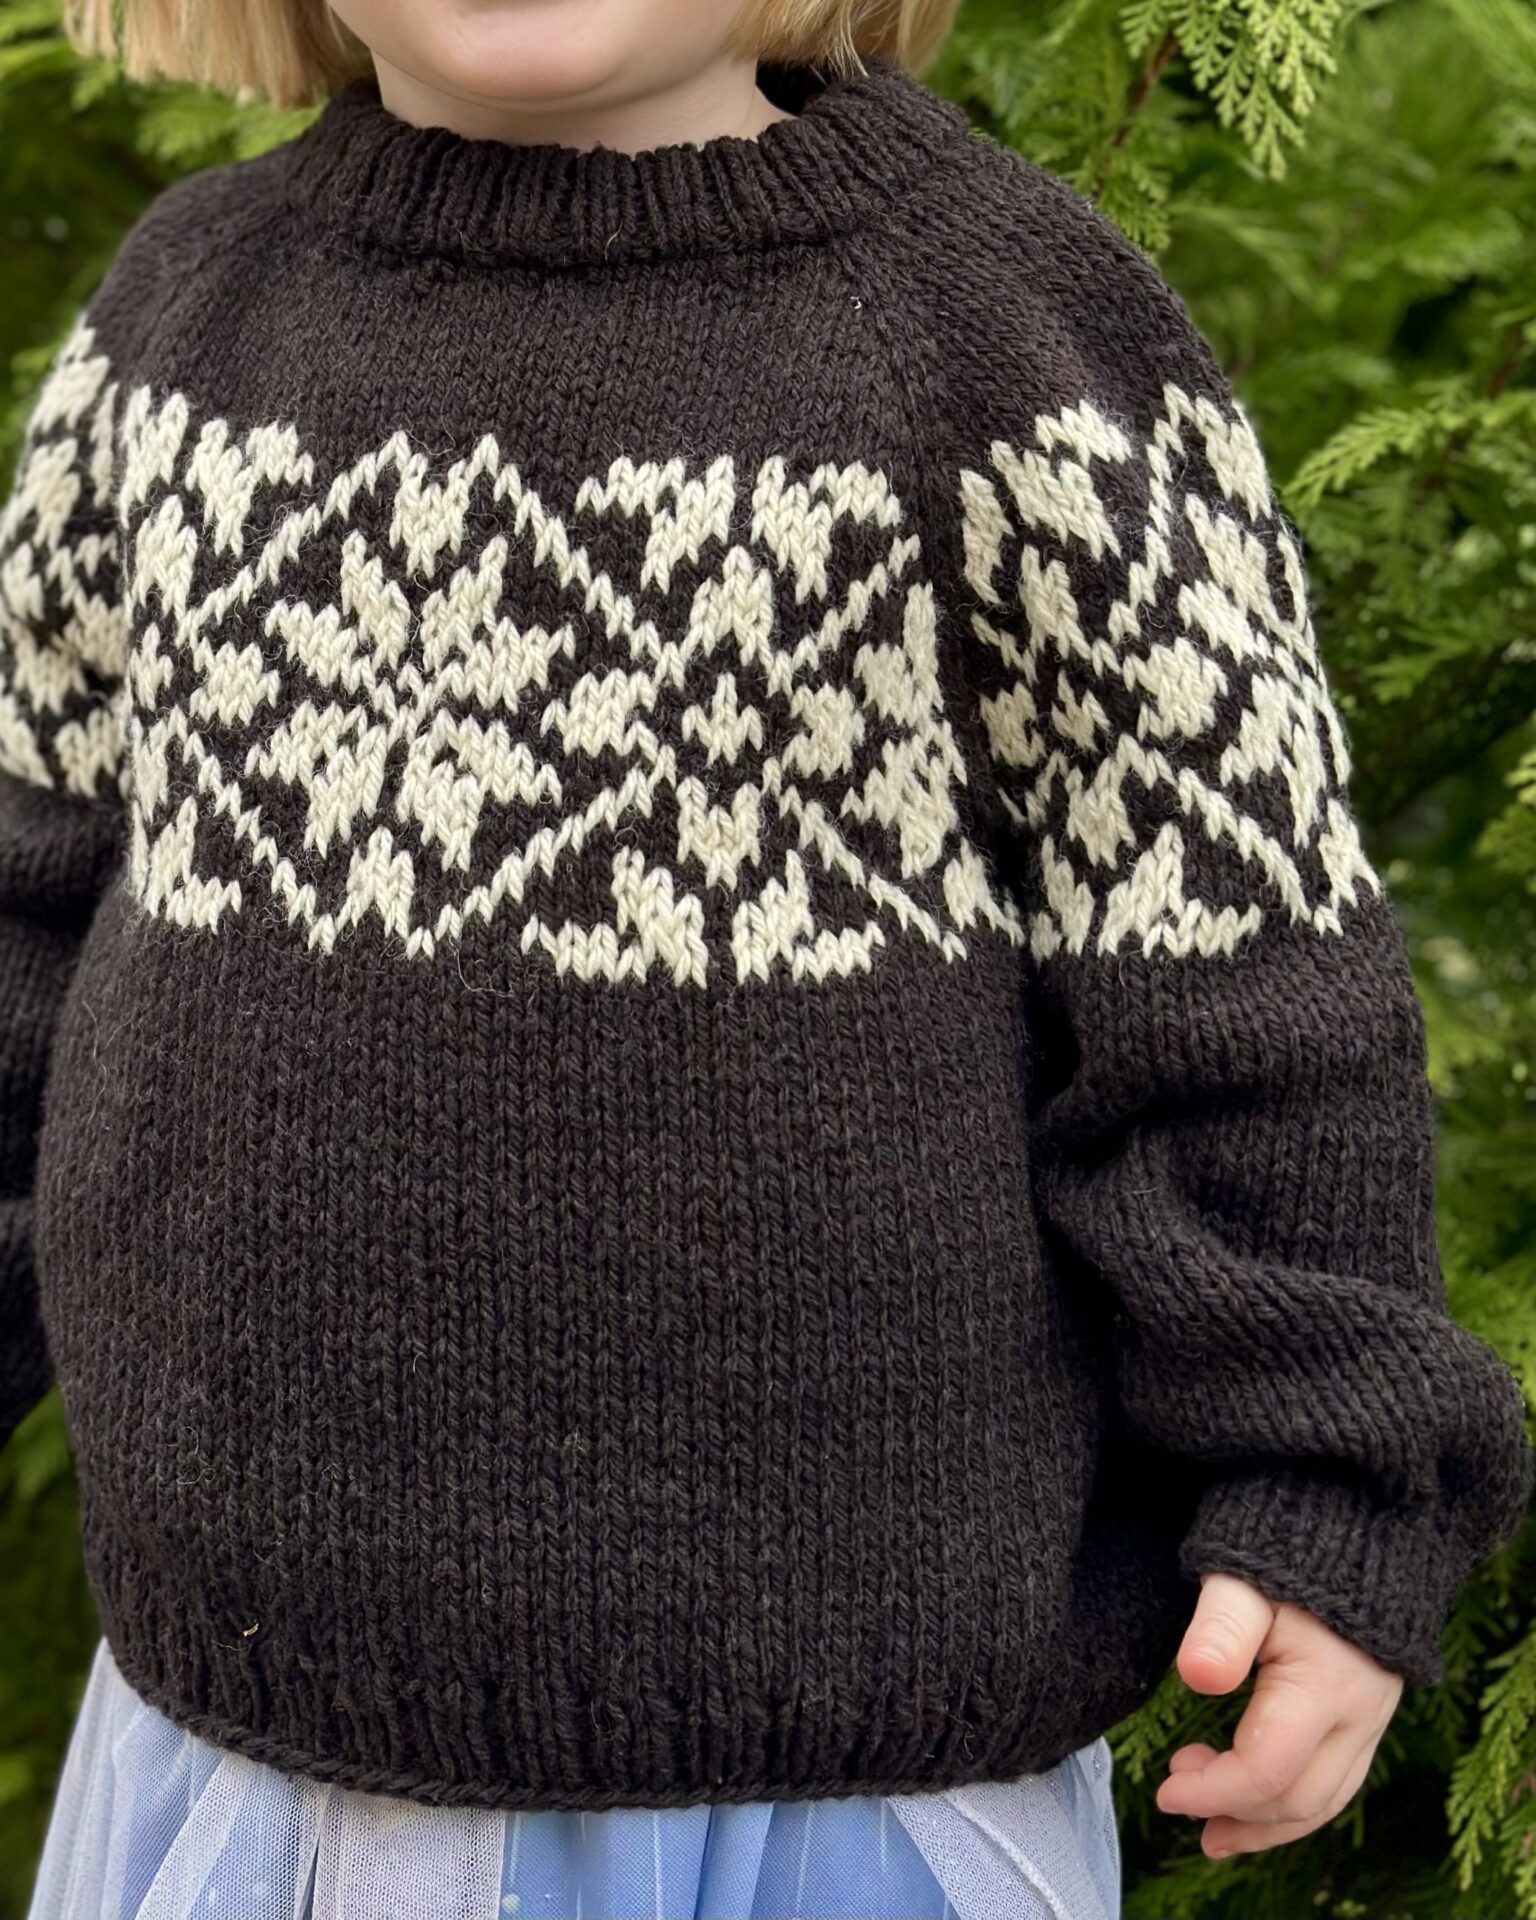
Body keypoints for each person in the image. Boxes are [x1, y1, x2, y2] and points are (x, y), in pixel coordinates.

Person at [2, 0, 1530, 1914]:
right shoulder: (183, 322)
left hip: (851, 1783)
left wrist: (1327, 1493)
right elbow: (27, 910)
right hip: (253, 1758)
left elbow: (1241, 972)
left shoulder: (1003, 333)